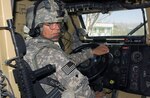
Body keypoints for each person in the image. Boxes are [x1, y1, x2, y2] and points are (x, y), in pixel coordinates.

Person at [25, 0, 109, 98]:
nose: (57, 28)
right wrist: (95, 96)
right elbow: (79, 87)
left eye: (58, 22)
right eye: (50, 24)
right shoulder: (52, 53)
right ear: (37, 26)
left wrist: (90, 52)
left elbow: (65, 63)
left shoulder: (28, 47)